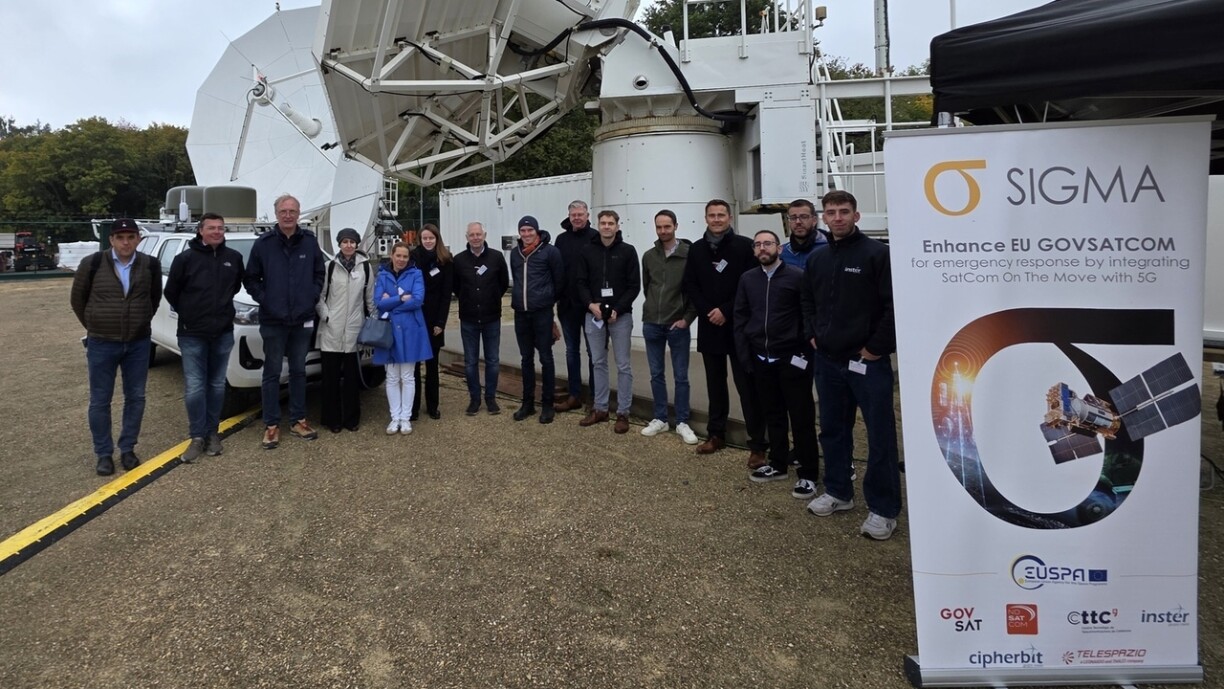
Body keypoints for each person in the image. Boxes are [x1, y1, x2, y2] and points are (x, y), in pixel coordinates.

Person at [801, 190, 901, 541]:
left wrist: (875, 348)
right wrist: (812, 334)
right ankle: (838, 491)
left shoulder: (877, 254)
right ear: (823, 218)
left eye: (844, 211)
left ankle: (883, 509)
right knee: (832, 429)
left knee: (880, 435)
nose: (838, 218)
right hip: (827, 362)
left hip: (866, 363)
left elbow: (894, 305)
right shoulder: (818, 258)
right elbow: (807, 300)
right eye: (831, 212)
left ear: (856, 216)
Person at [70, 218, 162, 476]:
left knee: (136, 397)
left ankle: (128, 448)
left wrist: (140, 323)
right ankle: (103, 453)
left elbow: (153, 299)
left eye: (131, 237)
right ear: (111, 240)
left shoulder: (149, 265)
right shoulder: (92, 264)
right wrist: (94, 325)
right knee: (100, 400)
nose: (125, 242)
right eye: (120, 237)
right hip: (101, 342)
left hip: (138, 343)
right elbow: (77, 300)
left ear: (138, 239)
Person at [681, 199, 767, 465]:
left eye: (721, 215)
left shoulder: (744, 247)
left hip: (739, 327)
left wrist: (726, 311)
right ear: (705, 218)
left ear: (729, 217)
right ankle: (716, 434)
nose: (716, 219)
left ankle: (758, 444)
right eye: (712, 215)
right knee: (715, 385)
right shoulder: (696, 249)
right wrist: (709, 310)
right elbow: (690, 285)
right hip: (710, 326)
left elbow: (751, 285)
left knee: (747, 387)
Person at [734, 230, 819, 498]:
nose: (763, 248)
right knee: (773, 414)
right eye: (758, 244)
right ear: (754, 250)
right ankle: (778, 463)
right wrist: (745, 354)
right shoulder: (748, 279)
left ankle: (808, 473)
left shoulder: (797, 277)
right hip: (761, 358)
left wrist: (804, 353)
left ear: (779, 249)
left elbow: (808, 315)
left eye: (768, 243)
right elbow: (741, 316)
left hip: (791, 359)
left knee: (801, 417)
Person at [243, 193, 326, 450]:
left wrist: (311, 297)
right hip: (273, 320)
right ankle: (271, 424)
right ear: (276, 214)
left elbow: (319, 273)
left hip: (302, 320)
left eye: (292, 211)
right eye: (283, 211)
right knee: (272, 372)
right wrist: (266, 300)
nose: (288, 215)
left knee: (299, 371)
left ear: (298, 213)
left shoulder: (309, 242)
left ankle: (298, 420)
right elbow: (251, 279)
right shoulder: (264, 244)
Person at [164, 212, 244, 462]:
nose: (217, 232)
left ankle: (212, 433)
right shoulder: (185, 259)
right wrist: (190, 314)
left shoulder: (234, 258)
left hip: (222, 332)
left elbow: (235, 287)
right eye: (211, 228)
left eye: (220, 227)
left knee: (217, 385)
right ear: (200, 231)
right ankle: (197, 436)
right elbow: (171, 292)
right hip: (193, 333)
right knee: (196, 386)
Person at [575, 209, 640, 433]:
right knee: (598, 362)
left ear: (617, 226)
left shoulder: (628, 251)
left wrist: (618, 310)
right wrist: (590, 305)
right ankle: (600, 408)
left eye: (610, 223)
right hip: (593, 314)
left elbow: (634, 286)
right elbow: (580, 282)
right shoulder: (587, 251)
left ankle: (623, 412)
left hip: (620, 316)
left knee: (623, 365)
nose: (606, 227)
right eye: (603, 223)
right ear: (598, 225)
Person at [639, 210, 698, 444]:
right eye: (659, 227)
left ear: (676, 226)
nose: (663, 231)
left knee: (681, 376)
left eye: (667, 226)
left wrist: (687, 318)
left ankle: (682, 421)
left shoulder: (689, 255)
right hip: (652, 323)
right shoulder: (649, 256)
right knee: (656, 374)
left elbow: (695, 290)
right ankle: (660, 418)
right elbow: (648, 286)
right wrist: (653, 311)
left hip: (678, 324)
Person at [315, 227, 375, 434]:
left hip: (354, 331)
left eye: (352, 242)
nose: (348, 245)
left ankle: (351, 419)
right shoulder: (329, 267)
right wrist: (327, 316)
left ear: (357, 244)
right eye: (345, 242)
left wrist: (372, 321)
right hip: (331, 330)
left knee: (351, 379)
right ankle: (331, 419)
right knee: (330, 379)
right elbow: (320, 296)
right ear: (339, 244)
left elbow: (370, 298)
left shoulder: (365, 267)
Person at [373, 242, 433, 434]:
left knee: (407, 376)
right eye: (398, 255)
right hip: (389, 331)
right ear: (392, 255)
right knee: (391, 377)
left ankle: (405, 418)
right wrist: (400, 298)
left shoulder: (416, 274)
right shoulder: (382, 275)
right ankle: (395, 417)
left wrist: (390, 303)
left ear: (409, 258)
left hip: (410, 331)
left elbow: (417, 300)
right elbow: (378, 303)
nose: (401, 259)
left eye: (405, 256)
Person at [509, 215, 564, 424]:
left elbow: (559, 281)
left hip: (542, 312)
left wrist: (547, 301)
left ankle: (547, 404)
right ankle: (528, 403)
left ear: (537, 231)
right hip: (521, 313)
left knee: (546, 358)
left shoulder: (550, 252)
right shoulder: (515, 253)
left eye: (530, 230)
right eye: (523, 231)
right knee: (526, 359)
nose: (526, 234)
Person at [452, 221, 509, 415]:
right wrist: (468, 299)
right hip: (468, 319)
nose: (475, 238)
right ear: (466, 237)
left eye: (478, 234)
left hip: (491, 318)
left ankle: (490, 398)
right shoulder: (459, 260)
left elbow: (503, 284)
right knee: (470, 362)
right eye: (472, 235)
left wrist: (491, 298)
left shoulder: (496, 257)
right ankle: (474, 399)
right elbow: (456, 286)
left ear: (484, 235)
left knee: (492, 360)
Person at [553, 200, 597, 412]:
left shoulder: (596, 238)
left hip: (591, 308)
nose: (577, 218)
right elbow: (556, 271)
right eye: (574, 215)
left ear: (587, 215)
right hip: (567, 306)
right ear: (569, 216)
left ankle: (596, 397)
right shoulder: (561, 240)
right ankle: (574, 395)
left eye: (580, 214)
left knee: (594, 353)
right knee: (571, 352)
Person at [411, 224, 454, 421]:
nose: (428, 241)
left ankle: (432, 405)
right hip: (415, 317)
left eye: (431, 238)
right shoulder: (413, 258)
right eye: (425, 238)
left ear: (437, 239)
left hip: (434, 319)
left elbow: (446, 294)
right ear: (420, 239)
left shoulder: (445, 260)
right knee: (413, 366)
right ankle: (413, 407)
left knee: (432, 365)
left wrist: (441, 322)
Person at [779, 198, 827, 269]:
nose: (798, 222)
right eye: (793, 218)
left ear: (814, 220)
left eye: (804, 217)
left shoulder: (828, 249)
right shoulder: (782, 253)